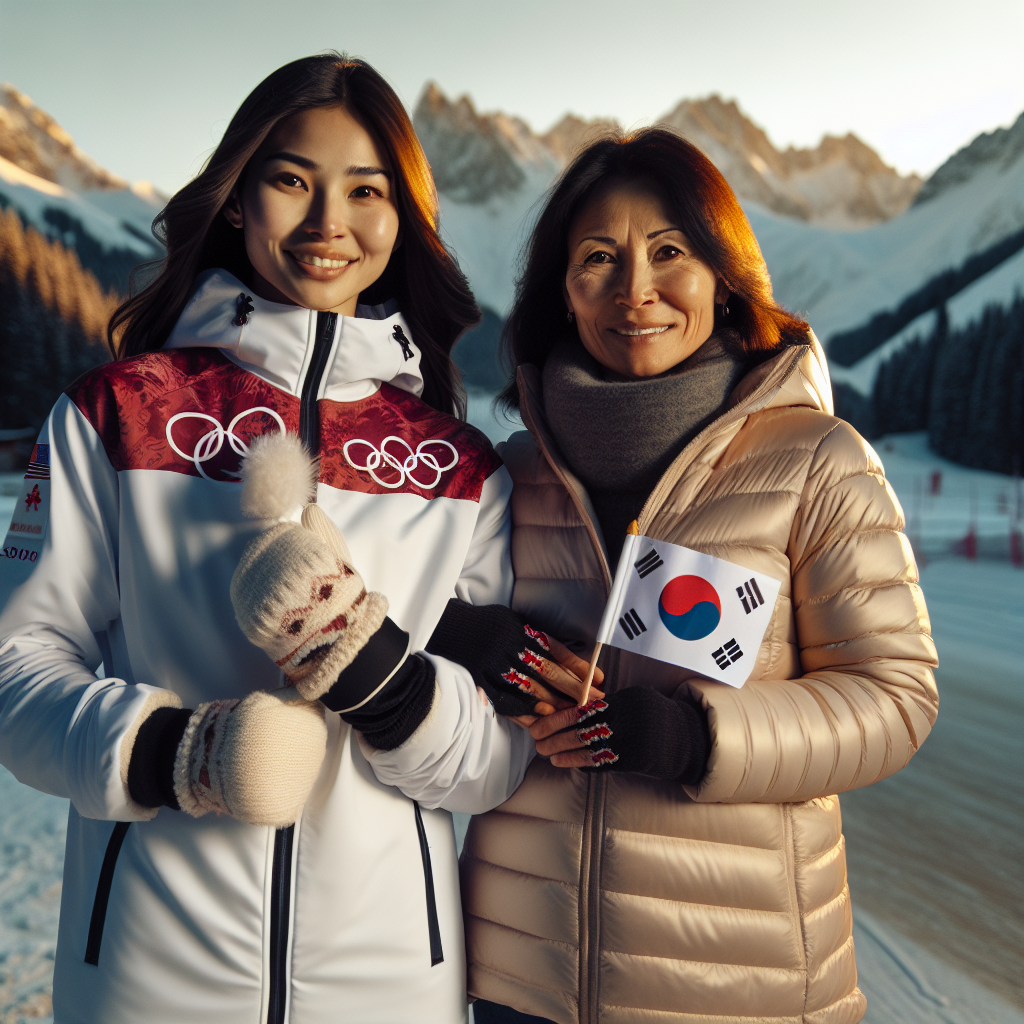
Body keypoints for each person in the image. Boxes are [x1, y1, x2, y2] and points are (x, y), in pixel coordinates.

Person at [0, 53, 588, 1024]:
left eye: (366, 191)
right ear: (237, 200)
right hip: (149, 973)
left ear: (400, 221)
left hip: (390, 980)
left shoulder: (456, 462)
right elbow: (17, 674)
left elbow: (492, 760)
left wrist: (381, 680)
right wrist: (176, 755)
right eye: (290, 182)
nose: (328, 224)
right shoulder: (118, 414)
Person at [461, 129, 940, 1024]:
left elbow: (896, 696)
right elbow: (422, 630)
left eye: (669, 251)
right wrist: (479, 648)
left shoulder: (817, 461)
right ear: (561, 293)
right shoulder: (513, 470)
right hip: (518, 976)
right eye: (597, 258)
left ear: (724, 275)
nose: (634, 289)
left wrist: (694, 738)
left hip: (737, 985)